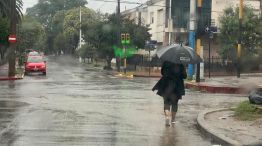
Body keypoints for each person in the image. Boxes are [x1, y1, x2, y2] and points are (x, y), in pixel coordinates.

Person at [152, 61, 187, 126]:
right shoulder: (180, 64)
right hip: (177, 86)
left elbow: (162, 73)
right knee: (175, 103)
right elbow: (184, 76)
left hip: (166, 85)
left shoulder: (166, 62)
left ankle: (167, 117)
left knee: (166, 102)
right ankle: (173, 120)